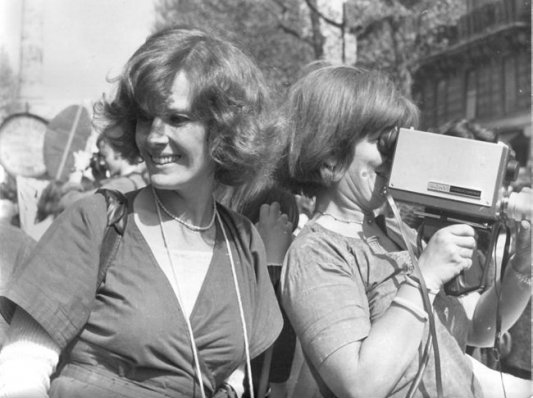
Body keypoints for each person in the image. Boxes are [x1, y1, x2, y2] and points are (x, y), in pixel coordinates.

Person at [0, 25, 283, 398]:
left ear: (225, 130)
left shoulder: (242, 243)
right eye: (146, 118)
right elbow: (24, 368)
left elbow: (235, 376)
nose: (153, 136)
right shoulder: (98, 221)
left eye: (177, 119)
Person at [277, 64, 531, 398]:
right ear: (330, 154)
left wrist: (525, 262)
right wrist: (424, 277)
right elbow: (360, 384)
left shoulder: (400, 234)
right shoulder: (317, 252)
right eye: (383, 143)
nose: (394, 159)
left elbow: (478, 329)